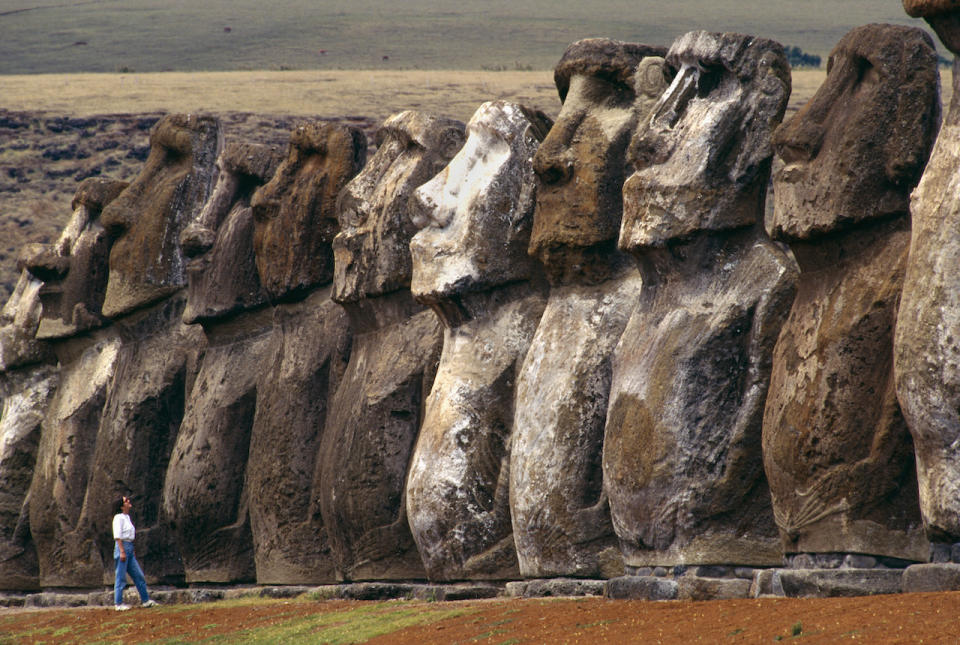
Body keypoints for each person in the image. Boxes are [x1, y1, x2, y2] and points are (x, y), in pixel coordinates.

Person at [112, 495, 157, 611]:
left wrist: (132, 550)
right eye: (126, 501)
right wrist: (122, 551)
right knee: (121, 577)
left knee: (139, 575)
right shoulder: (118, 518)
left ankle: (145, 600)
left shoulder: (127, 517)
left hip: (129, 548)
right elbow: (117, 536)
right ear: (122, 506)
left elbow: (130, 536)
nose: (129, 501)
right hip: (122, 547)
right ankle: (118, 603)